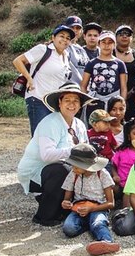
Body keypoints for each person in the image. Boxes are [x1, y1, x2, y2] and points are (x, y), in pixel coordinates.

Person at [17, 83, 94, 226]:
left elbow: (85, 152)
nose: (72, 104)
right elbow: (46, 155)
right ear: (59, 102)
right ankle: (45, 216)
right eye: (67, 100)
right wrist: (74, 151)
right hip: (38, 172)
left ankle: (62, 207)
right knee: (61, 170)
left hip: (64, 169)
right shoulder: (50, 122)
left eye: (76, 100)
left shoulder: (80, 125)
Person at [59, 144, 120, 256]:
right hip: (78, 208)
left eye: (77, 166)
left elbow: (111, 203)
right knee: (69, 229)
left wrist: (92, 208)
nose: (73, 169)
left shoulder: (102, 174)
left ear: (87, 166)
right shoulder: (73, 174)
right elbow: (66, 199)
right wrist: (65, 203)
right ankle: (91, 226)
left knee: (98, 222)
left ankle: (107, 242)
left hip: (98, 207)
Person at [13, 24, 74, 135]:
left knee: (52, 135)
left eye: (68, 38)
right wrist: (29, 78)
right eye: (62, 36)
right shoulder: (43, 50)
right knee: (40, 135)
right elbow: (18, 61)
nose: (64, 40)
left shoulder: (66, 55)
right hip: (38, 98)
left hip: (54, 102)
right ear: (53, 38)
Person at [80, 30, 127, 119]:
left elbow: (123, 87)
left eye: (110, 42)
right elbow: (83, 85)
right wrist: (87, 99)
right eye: (103, 42)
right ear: (99, 44)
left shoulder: (120, 64)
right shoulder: (91, 63)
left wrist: (122, 104)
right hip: (95, 101)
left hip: (113, 103)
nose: (106, 45)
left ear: (114, 45)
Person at [110, 119, 135, 208]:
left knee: (130, 193)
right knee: (110, 186)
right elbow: (113, 165)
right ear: (128, 136)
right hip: (122, 185)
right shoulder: (121, 151)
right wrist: (115, 175)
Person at [114, 24, 135, 121]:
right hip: (113, 97)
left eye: (128, 34)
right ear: (116, 37)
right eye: (121, 34)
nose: (124, 36)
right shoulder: (109, 53)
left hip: (134, 97)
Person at [63, 16, 89, 85]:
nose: (75, 30)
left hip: (82, 88)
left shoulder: (82, 50)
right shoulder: (62, 46)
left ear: (81, 31)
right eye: (72, 27)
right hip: (68, 87)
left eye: (78, 28)